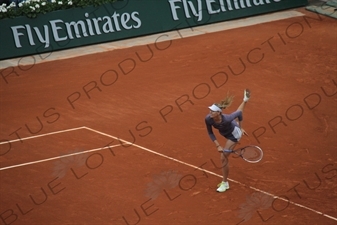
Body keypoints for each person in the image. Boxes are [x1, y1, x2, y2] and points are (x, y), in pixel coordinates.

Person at [205, 89, 251, 192]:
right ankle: (245, 100)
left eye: (212, 111)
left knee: (223, 157)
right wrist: (218, 145)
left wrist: (240, 127)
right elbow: (210, 132)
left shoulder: (227, 118)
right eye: (210, 110)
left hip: (234, 135)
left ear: (219, 113)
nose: (210, 112)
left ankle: (225, 184)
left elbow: (239, 114)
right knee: (236, 113)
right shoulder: (208, 119)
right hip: (228, 131)